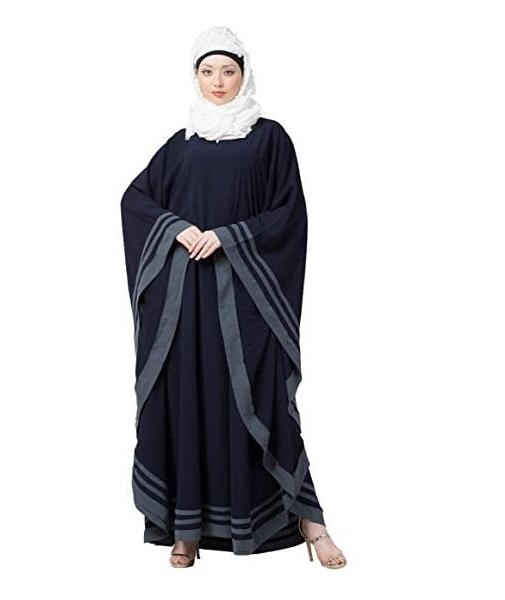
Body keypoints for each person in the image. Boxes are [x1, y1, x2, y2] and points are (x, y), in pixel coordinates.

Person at [120, 26, 347, 569]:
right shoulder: (181, 144)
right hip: (186, 305)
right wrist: (176, 227)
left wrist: (229, 237)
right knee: (187, 400)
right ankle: (185, 529)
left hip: (247, 301)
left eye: (228, 70)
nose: (218, 81)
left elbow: (289, 214)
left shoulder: (269, 138)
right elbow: (135, 201)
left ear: (244, 74)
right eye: (207, 71)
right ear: (195, 77)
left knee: (264, 400)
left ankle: (311, 523)